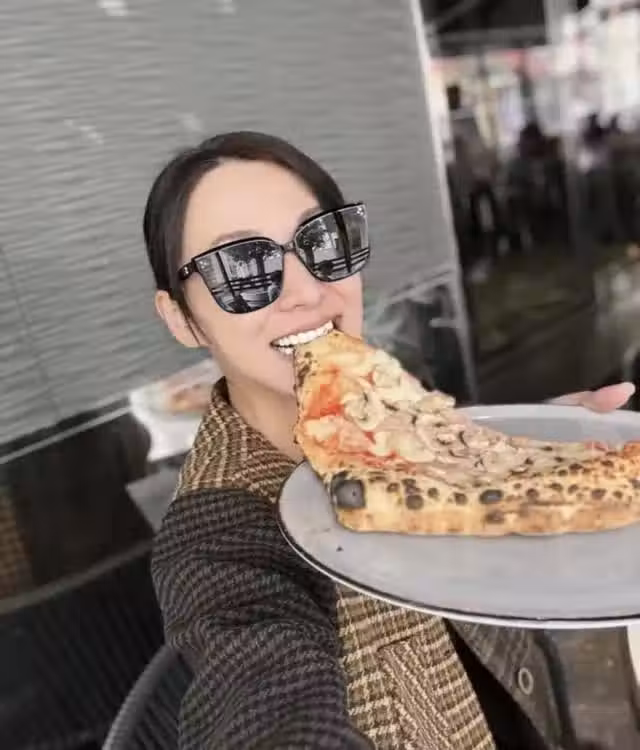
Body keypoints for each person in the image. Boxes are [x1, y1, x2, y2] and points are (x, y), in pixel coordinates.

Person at [145, 131, 634, 750]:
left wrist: (524, 460)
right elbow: (260, 699)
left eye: (321, 242)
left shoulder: (385, 412)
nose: (307, 291)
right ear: (181, 318)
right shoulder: (218, 535)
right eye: (243, 267)